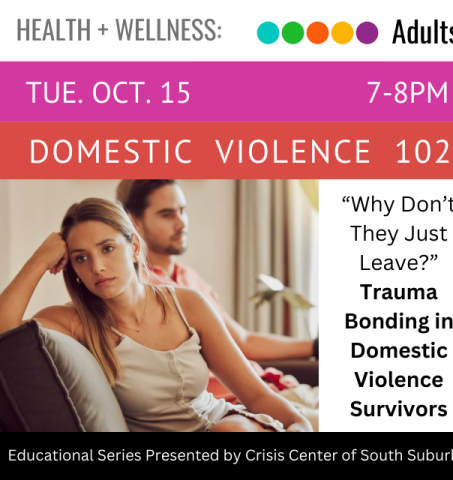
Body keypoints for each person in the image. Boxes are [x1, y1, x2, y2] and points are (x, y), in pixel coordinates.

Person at [0, 198, 312, 432]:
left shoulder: (187, 304)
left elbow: (254, 394)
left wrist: (300, 425)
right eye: (82, 258)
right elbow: (5, 336)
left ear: (133, 246)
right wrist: (39, 259)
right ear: (72, 267)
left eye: (107, 248)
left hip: (229, 423)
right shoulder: (72, 322)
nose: (96, 267)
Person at [116, 180, 319, 429]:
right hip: (241, 406)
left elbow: (242, 340)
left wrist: (316, 346)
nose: (181, 223)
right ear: (133, 221)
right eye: (167, 214)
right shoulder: (140, 294)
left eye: (183, 211)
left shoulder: (188, 278)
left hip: (278, 389)